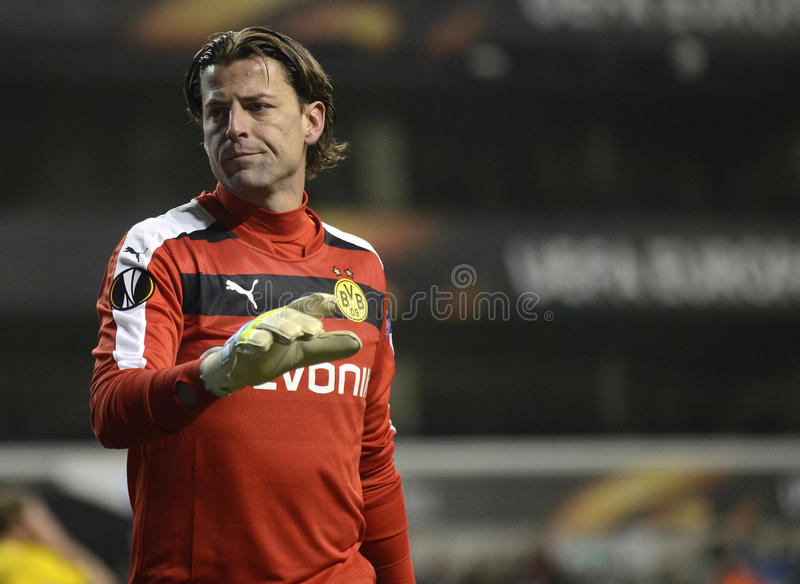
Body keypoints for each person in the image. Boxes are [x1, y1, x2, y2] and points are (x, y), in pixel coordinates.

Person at [90, 26, 414, 583]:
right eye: (217, 112)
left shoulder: (363, 266)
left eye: (258, 107)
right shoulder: (159, 248)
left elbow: (374, 462)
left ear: (312, 121)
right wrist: (215, 375)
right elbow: (112, 410)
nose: (235, 127)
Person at [0, 488, 120, 584]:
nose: (53, 524)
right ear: (19, 525)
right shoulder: (13, 557)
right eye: (42, 519)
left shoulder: (45, 554)